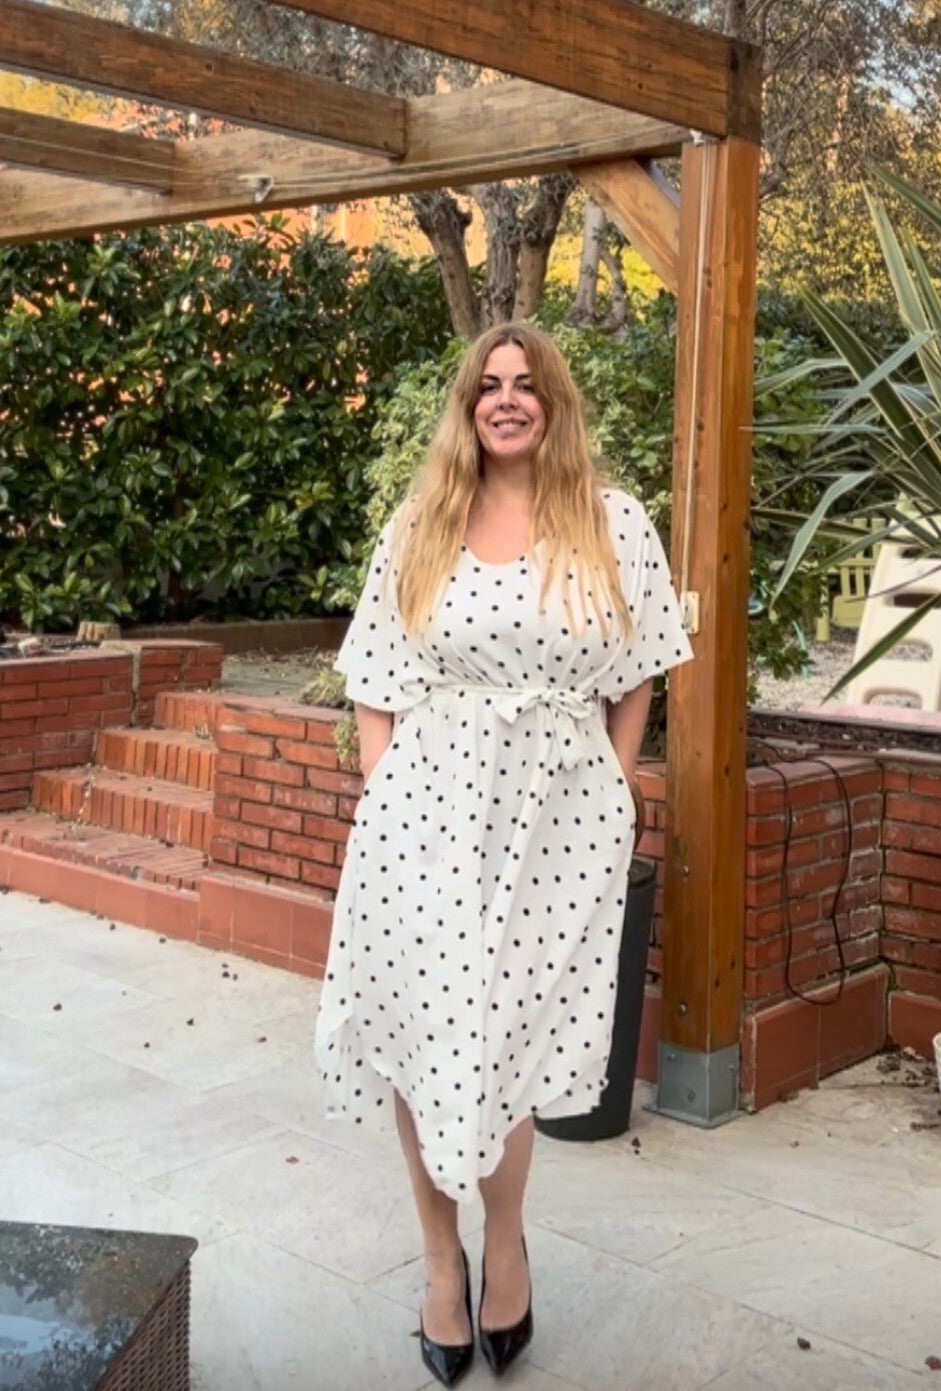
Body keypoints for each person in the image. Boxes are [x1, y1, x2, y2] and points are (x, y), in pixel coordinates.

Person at [314, 322, 692, 1384]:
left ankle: (507, 1239)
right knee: (422, 1035)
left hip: (555, 828)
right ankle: (442, 1261)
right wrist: (384, 794)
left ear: (553, 402)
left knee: (508, 1043)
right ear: (468, 406)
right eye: (489, 384)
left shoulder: (613, 522)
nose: (507, 399)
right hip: (424, 819)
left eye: (526, 383)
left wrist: (616, 782)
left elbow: (641, 667)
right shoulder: (423, 521)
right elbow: (375, 673)